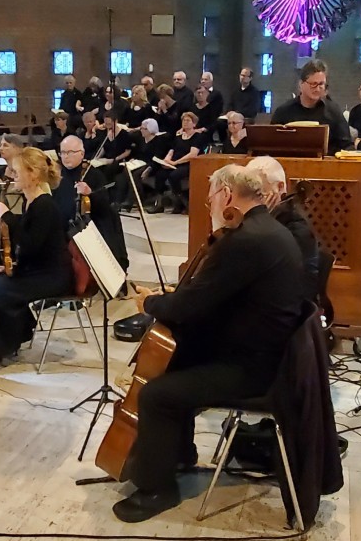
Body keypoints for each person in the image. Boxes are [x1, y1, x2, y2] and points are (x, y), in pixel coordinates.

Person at [114, 164, 304, 522]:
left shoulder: (245, 240)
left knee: (157, 394)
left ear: (227, 195)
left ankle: (157, 489)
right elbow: (216, 296)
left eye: (211, 197)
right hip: (269, 355)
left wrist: (150, 303)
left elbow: (187, 308)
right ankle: (177, 454)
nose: (209, 205)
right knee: (179, 359)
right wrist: (178, 298)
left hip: (253, 370)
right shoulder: (268, 229)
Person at [0, 148, 74, 376]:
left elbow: (30, 245)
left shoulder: (44, 205)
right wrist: (9, 267)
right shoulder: (31, 201)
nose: (12, 175)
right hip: (37, 270)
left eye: (17, 170)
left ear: (33, 174)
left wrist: (7, 218)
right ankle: (6, 342)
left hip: (52, 277)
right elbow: (30, 248)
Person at [245, 155, 321, 305]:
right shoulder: (269, 218)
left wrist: (260, 220)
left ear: (280, 187)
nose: (252, 202)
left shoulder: (296, 226)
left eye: (260, 194)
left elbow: (291, 282)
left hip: (288, 307)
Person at [52, 135, 129, 269]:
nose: (65, 156)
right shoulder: (56, 175)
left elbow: (106, 206)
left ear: (82, 154)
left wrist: (90, 194)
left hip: (86, 228)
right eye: (62, 152)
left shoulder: (93, 174)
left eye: (70, 152)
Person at [269, 59, 353, 153]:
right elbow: (270, 146)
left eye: (321, 84)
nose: (317, 89)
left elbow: (347, 146)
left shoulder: (333, 111)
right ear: (301, 84)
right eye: (313, 84)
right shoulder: (283, 112)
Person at [143, 111, 209, 214]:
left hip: (189, 164)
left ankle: (184, 203)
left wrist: (176, 163)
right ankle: (159, 204)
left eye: (188, 120)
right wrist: (167, 160)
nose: (185, 122)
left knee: (174, 176)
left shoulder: (197, 137)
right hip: (175, 163)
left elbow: (192, 154)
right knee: (160, 174)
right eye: (183, 120)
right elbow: (172, 150)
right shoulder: (178, 137)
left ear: (194, 124)